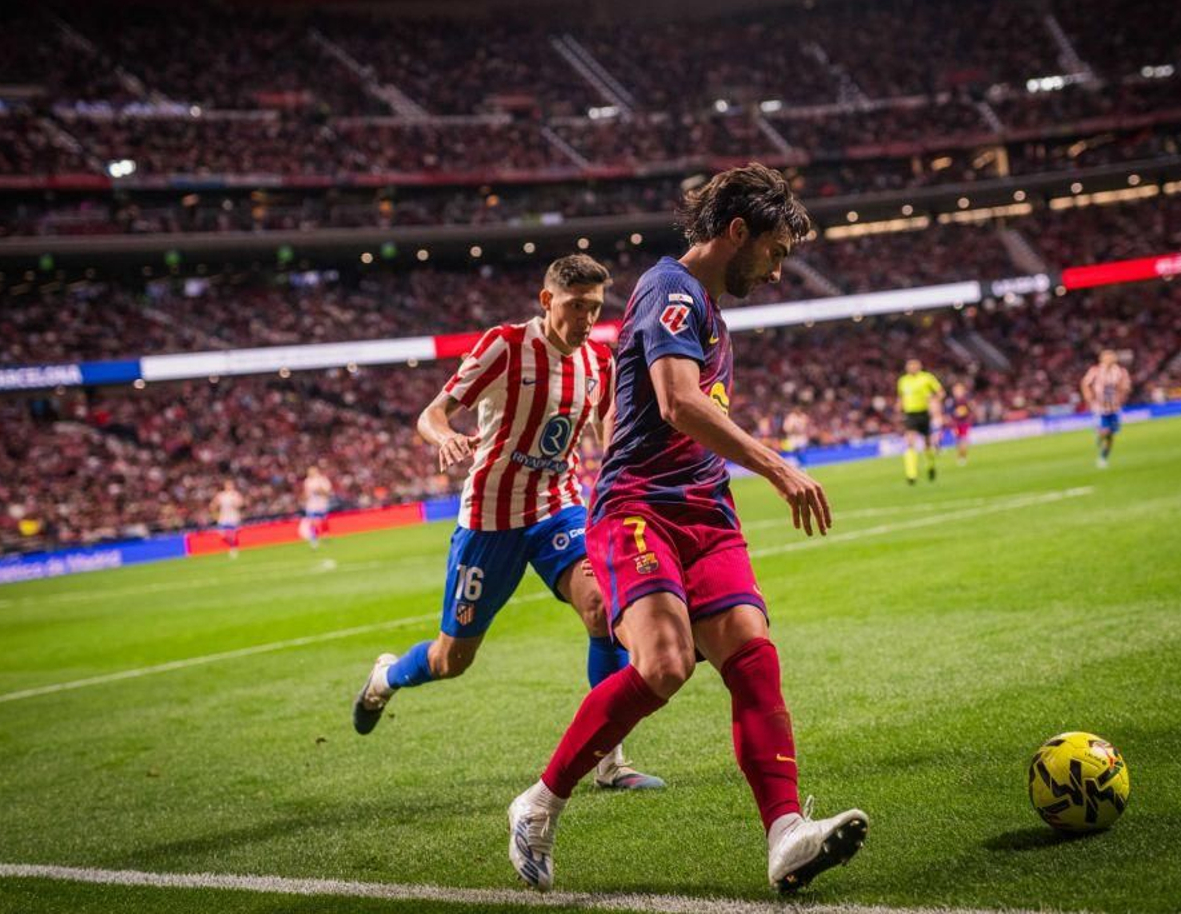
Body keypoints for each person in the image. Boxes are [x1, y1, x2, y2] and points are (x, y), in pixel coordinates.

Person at [505, 164, 866, 894]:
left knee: (752, 653)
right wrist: (777, 465)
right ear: (737, 232)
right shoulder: (671, 288)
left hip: (706, 509)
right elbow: (676, 401)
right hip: (638, 504)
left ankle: (786, 832)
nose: (774, 267)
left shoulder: (703, 305)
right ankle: (539, 802)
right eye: (772, 250)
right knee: (665, 664)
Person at [352, 254, 663, 791]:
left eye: (595, 307)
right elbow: (432, 414)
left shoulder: (599, 361)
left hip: (557, 507)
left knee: (600, 608)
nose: (586, 318)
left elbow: (604, 434)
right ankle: (386, 676)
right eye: (575, 306)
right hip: (490, 520)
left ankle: (609, 759)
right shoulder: (505, 345)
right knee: (453, 659)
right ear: (547, 301)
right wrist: (446, 437)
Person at [895, 359, 945, 484]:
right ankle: (911, 475)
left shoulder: (926, 378)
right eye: (909, 365)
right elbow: (901, 397)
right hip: (910, 414)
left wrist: (933, 400)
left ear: (919, 366)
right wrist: (898, 406)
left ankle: (930, 465)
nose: (911, 367)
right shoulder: (903, 381)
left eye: (914, 365)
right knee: (910, 441)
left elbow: (941, 393)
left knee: (927, 443)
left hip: (924, 413)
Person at [1081, 349, 1132, 469]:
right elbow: (1085, 383)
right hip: (1100, 407)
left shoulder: (1120, 372)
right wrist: (1088, 395)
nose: (1110, 358)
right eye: (1107, 356)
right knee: (1106, 430)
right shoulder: (1095, 371)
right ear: (1102, 359)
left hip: (1114, 407)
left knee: (1111, 435)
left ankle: (1104, 457)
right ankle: (1100, 435)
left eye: (1112, 356)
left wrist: (1123, 392)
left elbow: (1125, 386)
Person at [210, 480, 246, 559]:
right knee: (221, 533)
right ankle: (232, 546)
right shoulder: (221, 495)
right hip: (223, 517)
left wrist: (237, 504)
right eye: (228, 485)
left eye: (231, 485)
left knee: (232, 534)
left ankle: (233, 549)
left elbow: (241, 504)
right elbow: (213, 505)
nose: (230, 486)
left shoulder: (235, 494)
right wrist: (214, 514)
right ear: (225, 486)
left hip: (233, 517)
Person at [299, 466, 332, 548]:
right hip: (311, 505)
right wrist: (304, 497)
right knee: (312, 523)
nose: (310, 473)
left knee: (323, 522)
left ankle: (325, 537)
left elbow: (327, 493)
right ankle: (314, 540)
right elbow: (306, 494)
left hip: (321, 505)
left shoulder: (322, 480)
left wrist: (319, 490)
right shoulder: (307, 481)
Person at [947, 381, 974, 466]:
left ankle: (963, 456)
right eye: (956, 390)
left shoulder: (966, 399)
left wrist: (964, 411)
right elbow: (949, 412)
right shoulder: (952, 401)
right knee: (958, 440)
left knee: (963, 439)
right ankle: (960, 455)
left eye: (959, 390)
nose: (957, 392)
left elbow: (970, 409)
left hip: (964, 422)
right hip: (956, 423)